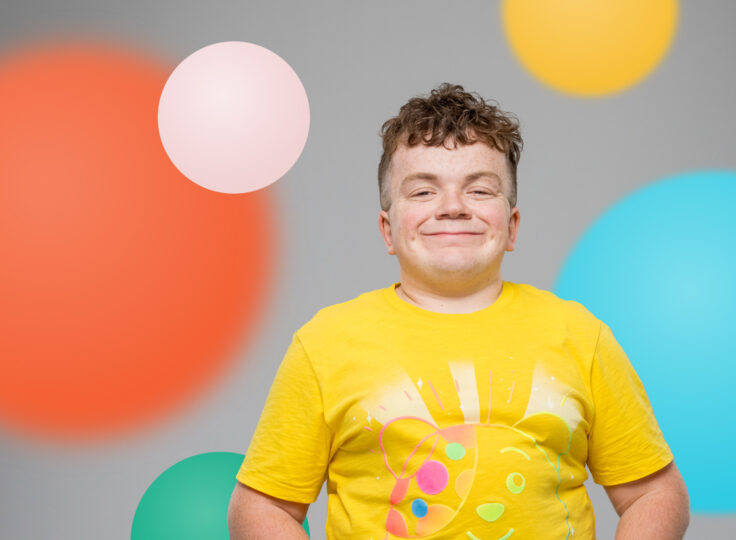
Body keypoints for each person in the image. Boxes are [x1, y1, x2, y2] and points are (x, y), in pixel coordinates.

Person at [227, 83, 690, 539]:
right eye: (424, 192)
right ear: (388, 230)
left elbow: (654, 495)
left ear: (511, 226)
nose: (452, 207)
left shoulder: (579, 336)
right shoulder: (325, 344)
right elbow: (261, 506)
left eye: (480, 190)